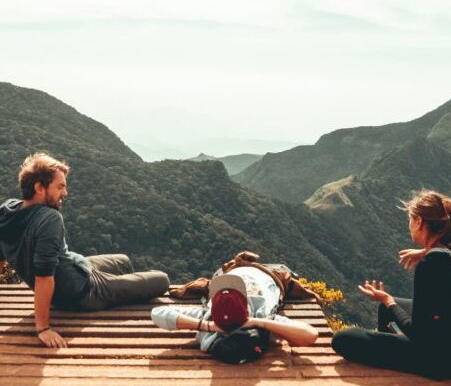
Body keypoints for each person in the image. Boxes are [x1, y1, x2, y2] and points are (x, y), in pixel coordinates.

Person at [0, 152, 170, 348]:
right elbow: (44, 276)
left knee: (123, 260)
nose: (65, 193)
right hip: (82, 292)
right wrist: (43, 328)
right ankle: (122, 288)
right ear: (39, 188)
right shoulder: (49, 218)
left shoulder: (7, 210)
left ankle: (125, 285)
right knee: (161, 279)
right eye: (60, 187)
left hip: (74, 267)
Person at [332, 189, 451, 380]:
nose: (409, 225)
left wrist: (389, 300)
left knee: (343, 339)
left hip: (445, 363)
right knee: (385, 309)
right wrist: (425, 250)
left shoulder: (429, 266)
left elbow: (419, 335)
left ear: (419, 222)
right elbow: (446, 252)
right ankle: (396, 349)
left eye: (410, 220)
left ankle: (399, 355)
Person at [151, 264, 319, 362]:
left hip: (229, 271)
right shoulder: (261, 317)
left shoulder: (208, 316)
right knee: (284, 268)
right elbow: (311, 335)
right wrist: (259, 322)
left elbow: (157, 313)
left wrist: (208, 325)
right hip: (270, 273)